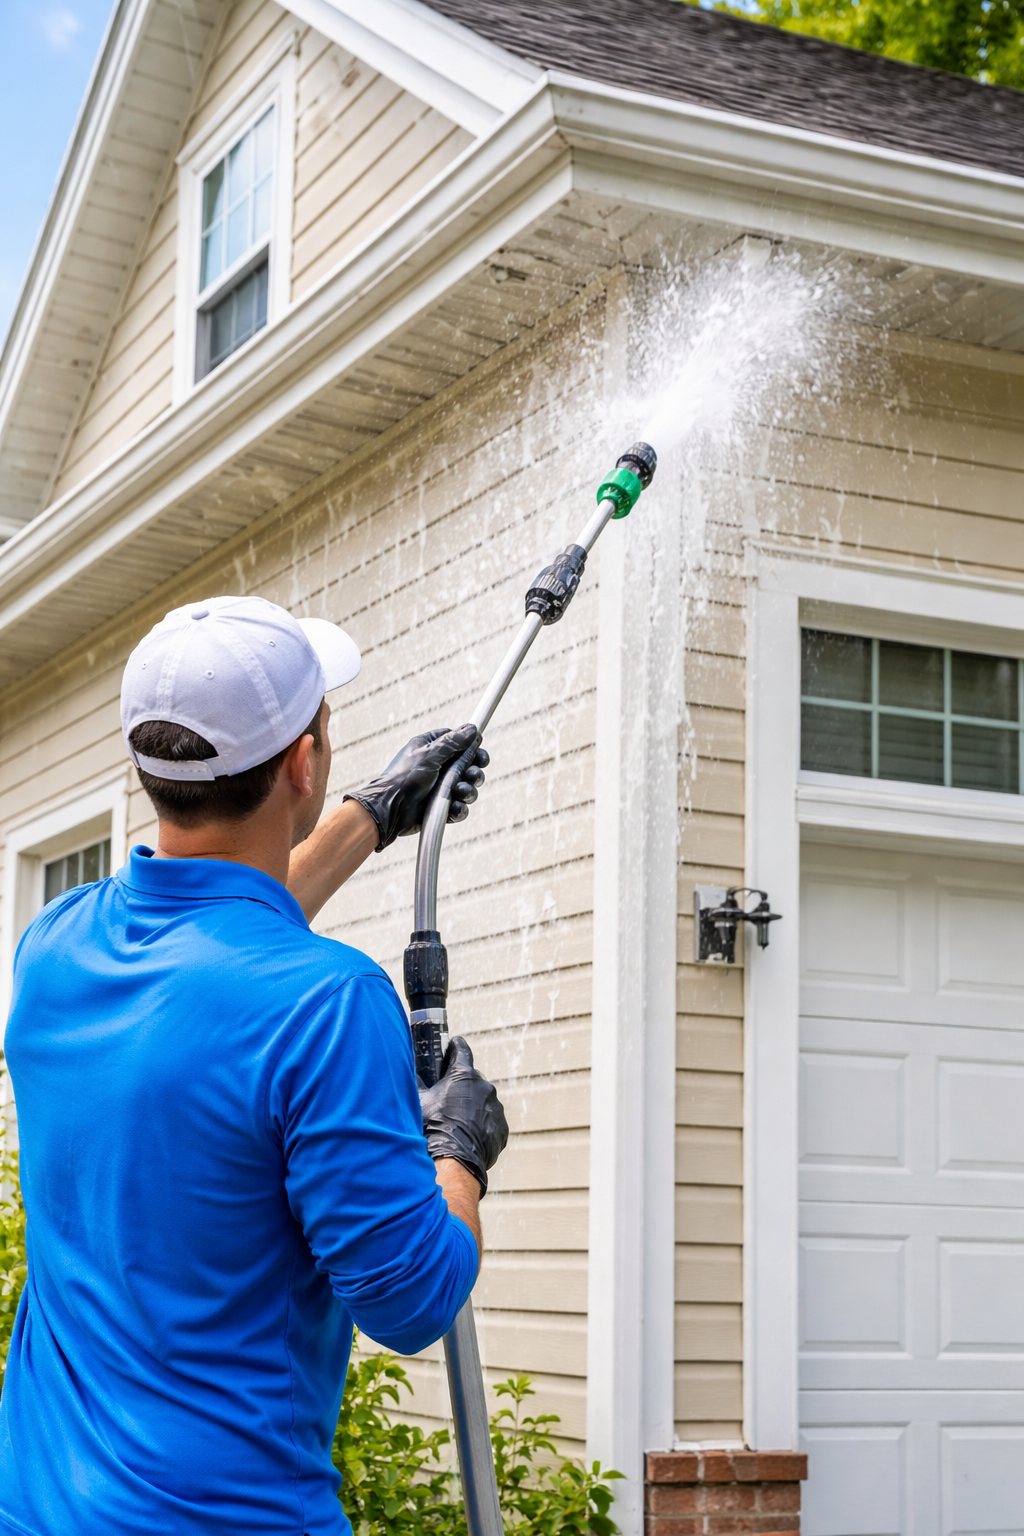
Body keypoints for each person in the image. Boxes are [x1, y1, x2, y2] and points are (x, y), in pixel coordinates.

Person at [0, 595, 508, 1536]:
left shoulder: (53, 949)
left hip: (40, 1507)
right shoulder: (328, 1003)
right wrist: (459, 1155)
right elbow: (410, 1299)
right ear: (305, 763)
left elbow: (219, 937)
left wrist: (371, 817)